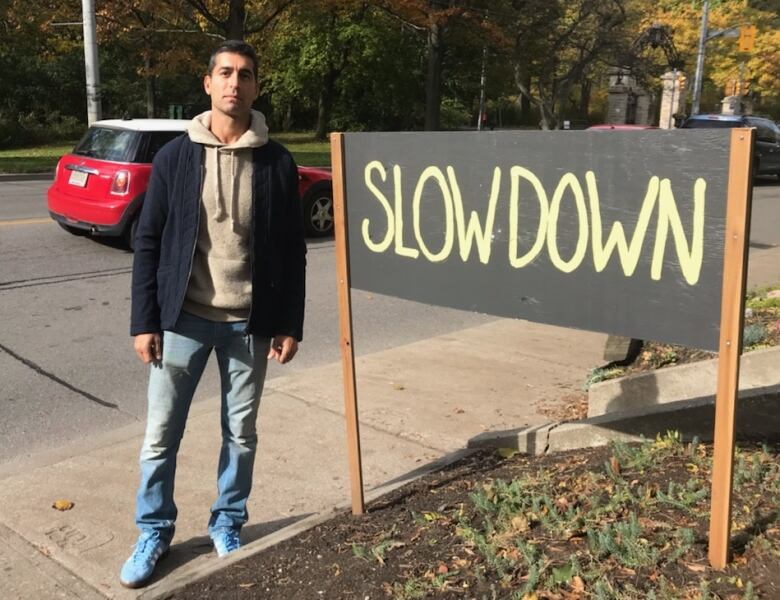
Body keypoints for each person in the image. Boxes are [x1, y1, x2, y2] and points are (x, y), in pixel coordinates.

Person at [120, 40, 306, 589]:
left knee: (241, 433)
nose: (234, 83)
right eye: (225, 73)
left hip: (249, 323)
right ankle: (154, 530)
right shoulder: (176, 157)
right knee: (160, 435)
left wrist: (289, 322)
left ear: (256, 87)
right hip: (183, 319)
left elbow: (292, 249)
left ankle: (228, 522)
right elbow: (149, 243)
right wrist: (144, 320)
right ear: (207, 83)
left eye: (245, 75)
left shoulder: (276, 160)